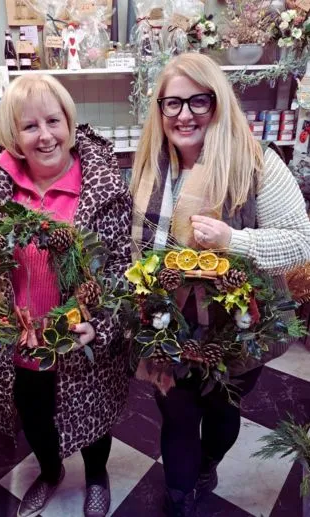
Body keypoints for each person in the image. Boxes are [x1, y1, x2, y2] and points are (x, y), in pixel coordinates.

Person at [130, 52, 310, 517]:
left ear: (219, 103)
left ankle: (209, 462)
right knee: (176, 413)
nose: (184, 114)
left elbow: (298, 242)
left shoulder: (257, 163)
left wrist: (234, 239)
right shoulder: (150, 164)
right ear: (160, 110)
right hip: (168, 329)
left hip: (239, 328)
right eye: (172, 103)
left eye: (198, 101)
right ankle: (178, 496)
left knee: (224, 414)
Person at [0, 74, 132, 517]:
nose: (45, 136)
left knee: (94, 417)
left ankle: (97, 477)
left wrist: (100, 326)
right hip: (16, 341)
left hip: (80, 337)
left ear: (69, 121)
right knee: (34, 417)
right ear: (14, 134)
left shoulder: (103, 189)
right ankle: (50, 473)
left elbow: (122, 273)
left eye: (54, 120)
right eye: (30, 126)